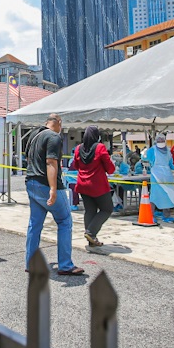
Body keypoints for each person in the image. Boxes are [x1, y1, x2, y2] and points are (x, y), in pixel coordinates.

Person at [24, 114, 83, 275]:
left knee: (34, 224)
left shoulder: (34, 136)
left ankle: (30, 262)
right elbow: (51, 162)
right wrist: (53, 188)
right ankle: (65, 265)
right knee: (64, 221)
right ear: (59, 123)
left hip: (31, 181)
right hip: (46, 184)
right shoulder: (54, 137)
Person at [72, 126, 115, 247]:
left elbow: (75, 165)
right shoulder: (100, 147)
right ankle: (91, 232)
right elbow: (110, 168)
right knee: (107, 209)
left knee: (90, 210)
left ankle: (91, 239)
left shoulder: (78, 148)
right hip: (97, 185)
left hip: (82, 184)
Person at [144, 134, 174, 223]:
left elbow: (170, 164)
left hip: (167, 175)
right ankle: (151, 215)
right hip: (156, 175)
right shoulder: (152, 150)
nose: (161, 143)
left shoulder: (167, 151)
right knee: (154, 195)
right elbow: (146, 160)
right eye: (159, 141)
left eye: (162, 141)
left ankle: (166, 215)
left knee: (168, 194)